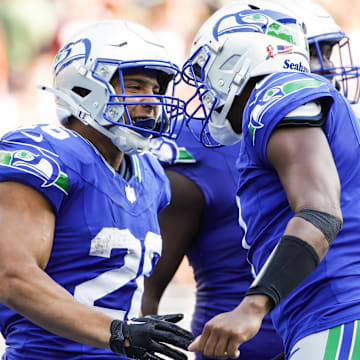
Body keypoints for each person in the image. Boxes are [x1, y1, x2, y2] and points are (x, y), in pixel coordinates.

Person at [0, 19, 194, 359]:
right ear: (83, 88)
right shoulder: (47, 152)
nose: (151, 101)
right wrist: (115, 332)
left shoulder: (151, 175)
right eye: (134, 86)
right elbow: (11, 274)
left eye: (154, 89)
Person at [181, 2, 360, 360]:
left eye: (205, 69)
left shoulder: (276, 94)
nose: (204, 87)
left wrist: (251, 307)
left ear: (234, 60)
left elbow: (320, 212)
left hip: (337, 313)